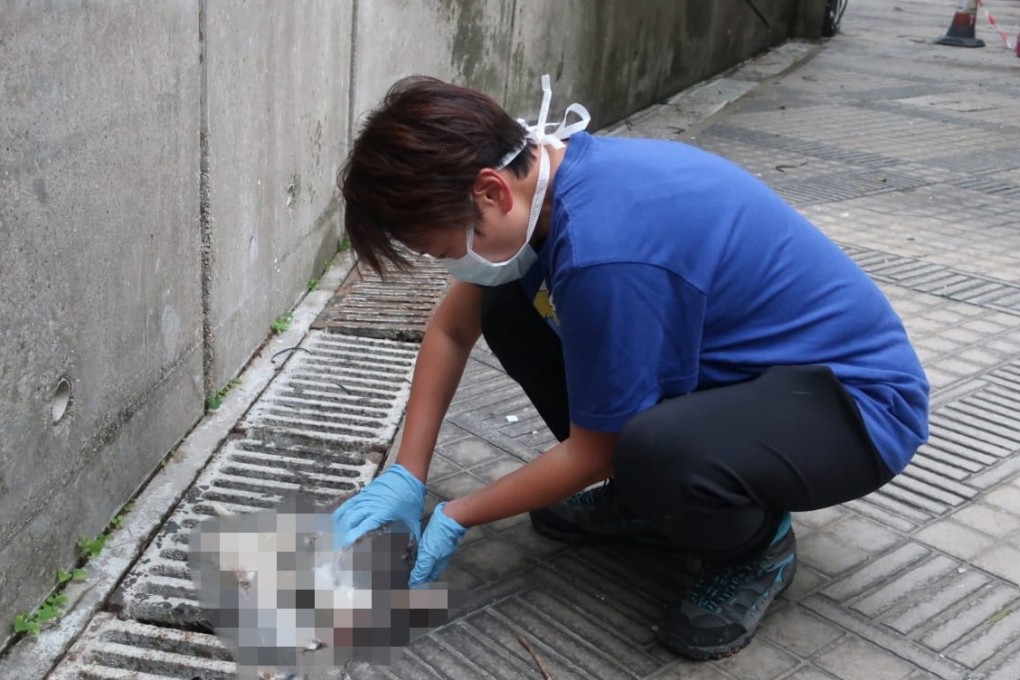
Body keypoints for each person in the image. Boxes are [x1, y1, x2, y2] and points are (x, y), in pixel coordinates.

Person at [331, 74, 929, 660]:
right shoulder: (544, 179)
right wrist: (406, 476)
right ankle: (653, 502)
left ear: (490, 191)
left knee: (651, 449)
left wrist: (456, 517)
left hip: (853, 408)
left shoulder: (605, 249)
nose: (450, 264)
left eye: (442, 249)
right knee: (506, 303)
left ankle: (752, 549)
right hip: (750, 379)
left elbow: (599, 449)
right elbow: (451, 327)